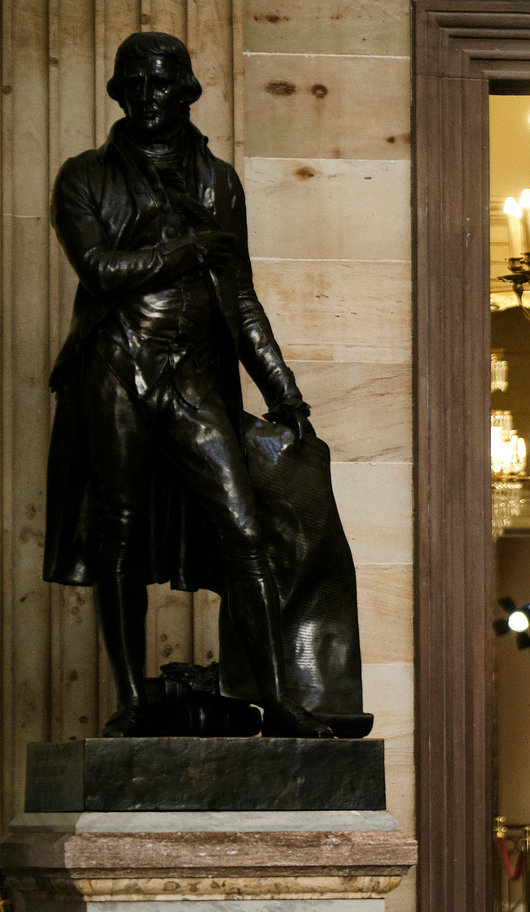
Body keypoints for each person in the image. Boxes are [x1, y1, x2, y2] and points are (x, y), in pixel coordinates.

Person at [46, 32, 331, 737]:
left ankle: (276, 696)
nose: (147, 96)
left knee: (243, 527)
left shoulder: (216, 180)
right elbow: (100, 270)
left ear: (186, 93)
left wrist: (284, 392)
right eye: (134, 83)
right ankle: (131, 698)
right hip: (116, 363)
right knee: (117, 529)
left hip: (193, 376)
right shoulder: (83, 177)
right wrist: (187, 248)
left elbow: (241, 300)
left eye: (161, 84)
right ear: (117, 91)